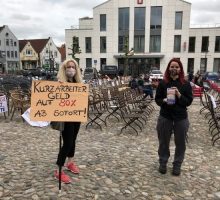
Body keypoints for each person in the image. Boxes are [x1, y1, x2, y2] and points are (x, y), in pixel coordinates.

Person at [155, 58, 193, 176]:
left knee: (180, 142)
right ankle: (163, 162)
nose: (174, 69)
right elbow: (157, 100)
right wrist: (165, 100)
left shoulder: (186, 84)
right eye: (172, 66)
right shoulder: (163, 83)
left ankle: (177, 165)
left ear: (180, 69)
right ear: (168, 68)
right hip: (165, 116)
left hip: (180, 117)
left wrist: (179, 94)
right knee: (163, 141)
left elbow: (188, 101)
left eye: (177, 67)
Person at [54, 58, 82, 184]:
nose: (71, 69)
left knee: (73, 140)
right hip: (65, 117)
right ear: (64, 69)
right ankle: (58, 170)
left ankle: (70, 162)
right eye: (68, 67)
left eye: (73, 67)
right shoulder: (60, 83)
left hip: (76, 116)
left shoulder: (78, 83)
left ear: (76, 69)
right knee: (67, 142)